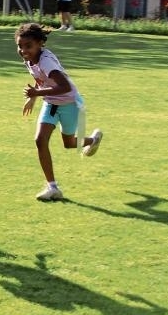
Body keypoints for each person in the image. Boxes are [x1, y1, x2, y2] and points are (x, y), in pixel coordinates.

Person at [15, 23, 103, 201]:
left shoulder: (46, 61)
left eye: (28, 46)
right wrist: (32, 97)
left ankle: (93, 140)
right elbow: (40, 79)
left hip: (69, 103)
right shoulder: (30, 58)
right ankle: (52, 187)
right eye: (20, 46)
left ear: (40, 44)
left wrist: (36, 93)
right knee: (40, 140)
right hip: (51, 103)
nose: (24, 50)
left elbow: (64, 86)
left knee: (70, 143)